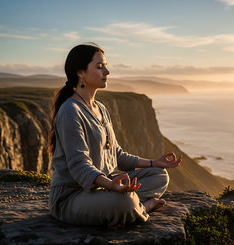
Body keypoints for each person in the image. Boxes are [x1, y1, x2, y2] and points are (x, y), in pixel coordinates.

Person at [48, 43, 182, 228]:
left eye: (105, 65)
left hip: (104, 187)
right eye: (99, 66)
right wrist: (112, 186)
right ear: (80, 73)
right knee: (125, 202)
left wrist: (154, 163)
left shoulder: (100, 108)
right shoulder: (70, 111)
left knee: (159, 175)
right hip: (72, 196)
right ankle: (144, 207)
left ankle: (121, 209)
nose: (107, 71)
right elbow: (79, 166)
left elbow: (117, 155)